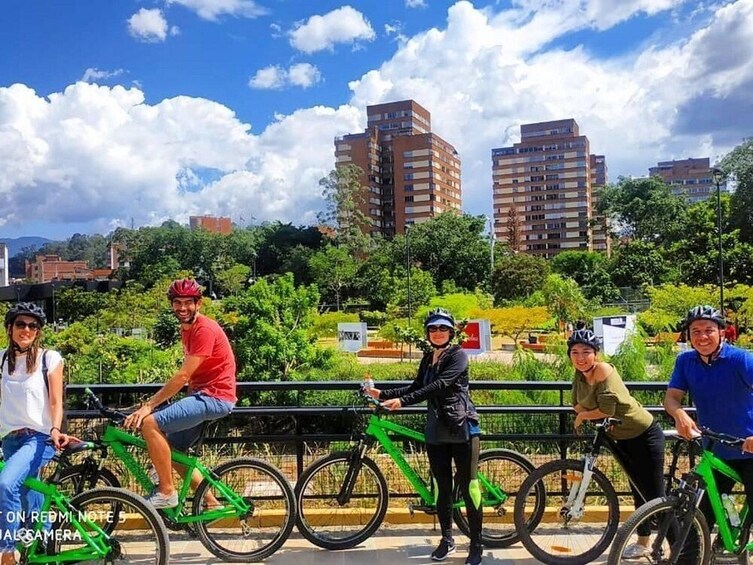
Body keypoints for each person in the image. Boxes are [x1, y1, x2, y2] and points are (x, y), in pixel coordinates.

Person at [365, 308, 483, 565]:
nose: (437, 333)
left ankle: (476, 544)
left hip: (462, 428)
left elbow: (439, 386)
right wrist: (382, 394)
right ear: (428, 333)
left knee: (469, 486)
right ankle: (447, 539)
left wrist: (402, 402)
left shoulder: (458, 355)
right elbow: (416, 387)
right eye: (433, 328)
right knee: (441, 487)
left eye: (442, 328)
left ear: (451, 332)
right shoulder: (427, 358)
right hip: (436, 431)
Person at [124, 278, 237, 509]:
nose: (182, 308)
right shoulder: (187, 329)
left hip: (213, 397)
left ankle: (166, 492)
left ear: (199, 303)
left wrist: (149, 405)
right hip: (203, 395)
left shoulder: (203, 329)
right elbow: (193, 376)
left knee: (150, 424)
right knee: (173, 451)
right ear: (171, 304)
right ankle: (211, 502)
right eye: (178, 302)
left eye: (188, 302)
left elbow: (183, 376)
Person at [568, 329, 666, 559]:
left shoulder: (603, 369)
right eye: (574, 352)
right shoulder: (579, 374)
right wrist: (587, 413)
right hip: (620, 437)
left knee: (655, 495)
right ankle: (644, 543)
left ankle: (682, 548)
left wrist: (585, 416)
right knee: (637, 490)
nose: (580, 357)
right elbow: (576, 403)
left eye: (586, 352)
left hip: (644, 434)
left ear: (596, 353)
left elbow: (606, 410)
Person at [665, 305, 753, 546]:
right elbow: (672, 398)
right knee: (696, 519)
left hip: (749, 448)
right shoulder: (685, 361)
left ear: (721, 332)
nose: (702, 337)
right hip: (715, 449)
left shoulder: (741, 360)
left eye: (708, 330)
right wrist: (679, 414)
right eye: (695, 331)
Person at [0, 303, 76, 565]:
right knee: (27, 495)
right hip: (10, 439)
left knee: (6, 484)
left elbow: (56, 401)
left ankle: (6, 551)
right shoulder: (1, 359)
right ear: (10, 328)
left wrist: (55, 428)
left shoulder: (49, 359)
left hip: (39, 438)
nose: (26, 330)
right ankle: (45, 547)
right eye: (21, 324)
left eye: (33, 326)